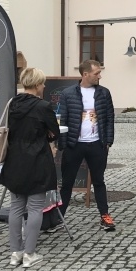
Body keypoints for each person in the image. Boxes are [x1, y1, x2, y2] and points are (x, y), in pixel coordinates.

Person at [0, 67, 59, 268]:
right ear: (36, 84)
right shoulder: (42, 106)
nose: (44, 86)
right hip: (37, 159)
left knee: (16, 207)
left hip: (15, 159)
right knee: (35, 207)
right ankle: (29, 254)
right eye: (42, 83)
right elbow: (55, 132)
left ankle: (15, 253)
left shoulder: (12, 103)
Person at [58, 59, 116, 231]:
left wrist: (108, 142)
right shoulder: (68, 93)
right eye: (96, 73)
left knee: (99, 181)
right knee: (67, 183)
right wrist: (63, 144)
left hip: (97, 144)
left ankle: (104, 216)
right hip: (74, 145)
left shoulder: (104, 93)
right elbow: (64, 120)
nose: (100, 76)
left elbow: (110, 118)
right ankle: (59, 217)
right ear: (85, 74)